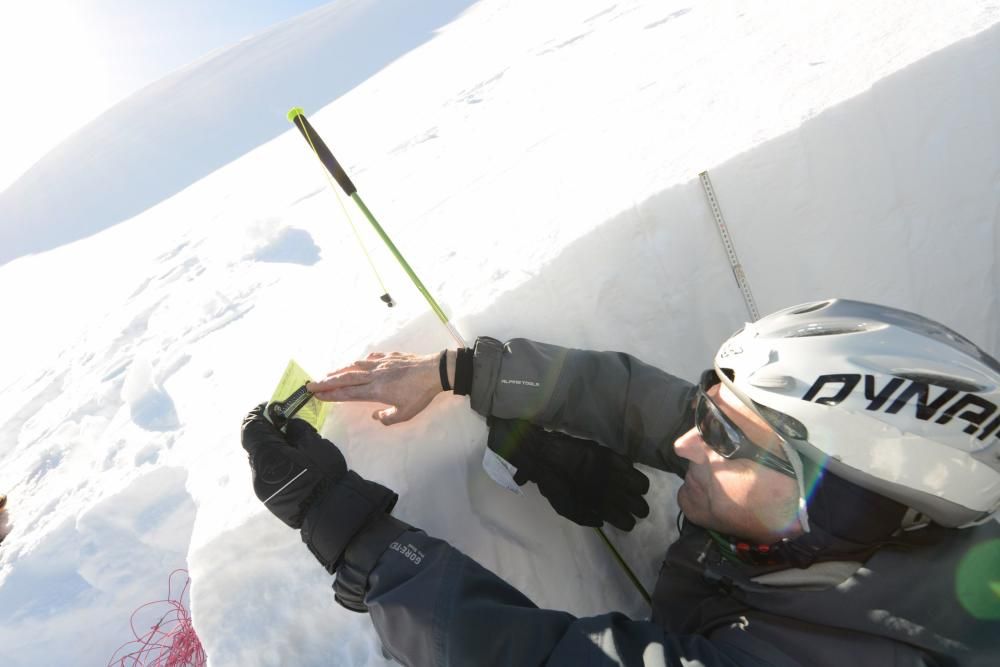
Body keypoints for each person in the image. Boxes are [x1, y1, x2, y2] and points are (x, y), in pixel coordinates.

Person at [240, 298, 1000, 666]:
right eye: (712, 406)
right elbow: (641, 404)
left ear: (833, 494)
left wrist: (355, 536)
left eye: (725, 435)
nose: (682, 440)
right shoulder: (852, 517)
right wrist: (455, 371)